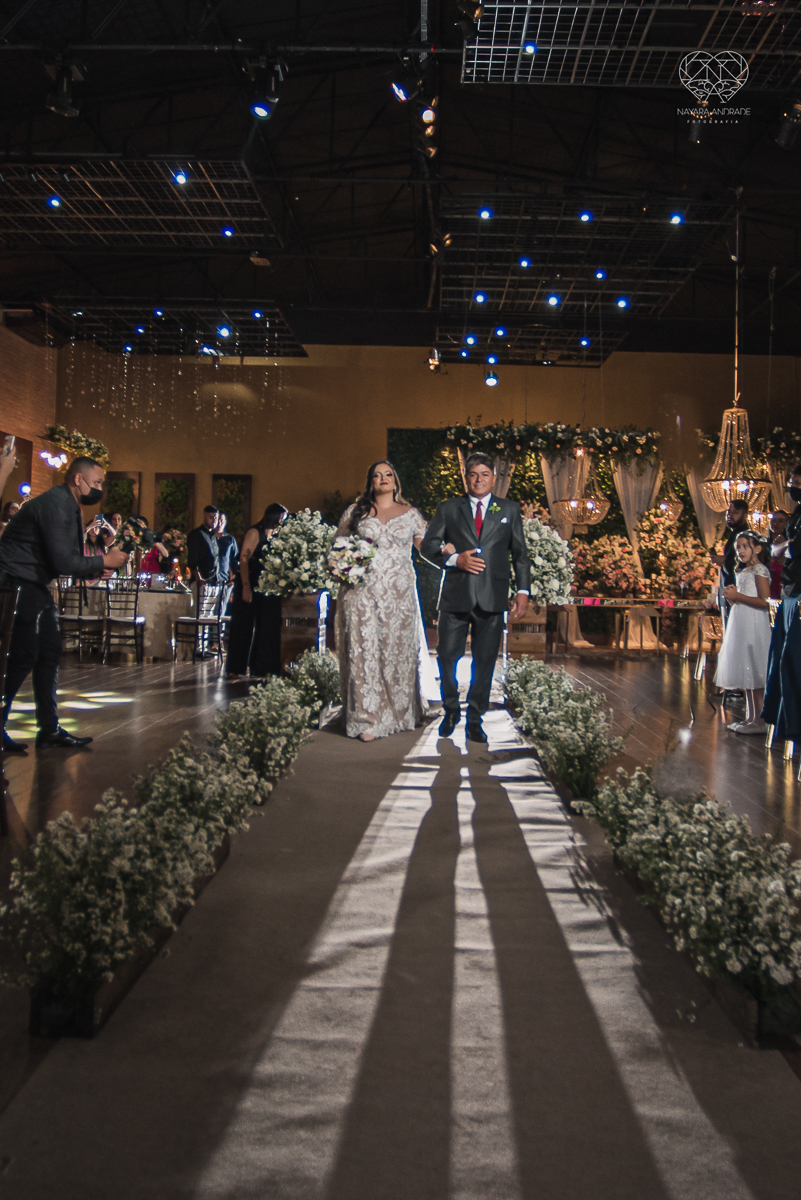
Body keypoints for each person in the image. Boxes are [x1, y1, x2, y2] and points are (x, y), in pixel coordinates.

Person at [0, 456, 128, 751]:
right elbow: (62, 560)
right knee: (22, 656)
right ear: (77, 480)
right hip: (17, 581)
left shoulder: (68, 504)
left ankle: (48, 729)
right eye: (96, 483)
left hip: (32, 581)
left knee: (49, 651)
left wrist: (98, 566)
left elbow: (63, 558)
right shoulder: (58, 503)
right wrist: (104, 560)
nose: (100, 488)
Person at [420, 452, 530, 744]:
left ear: (494, 478)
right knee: (446, 657)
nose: (479, 479)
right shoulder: (448, 509)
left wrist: (523, 591)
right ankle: (451, 708)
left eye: (484, 474)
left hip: (493, 598)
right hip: (456, 596)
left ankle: (475, 718)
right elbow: (428, 547)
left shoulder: (509, 509)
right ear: (465, 477)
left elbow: (520, 555)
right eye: (473, 474)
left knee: (484, 662)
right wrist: (455, 559)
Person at [336, 461, 432, 741]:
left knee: (396, 651)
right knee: (364, 651)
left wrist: (447, 550)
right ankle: (366, 719)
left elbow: (424, 546)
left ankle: (401, 713)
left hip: (399, 595)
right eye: (377, 475)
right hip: (361, 592)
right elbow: (338, 546)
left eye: (388, 474)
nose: (383, 478)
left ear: (395, 480)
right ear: (371, 482)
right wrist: (346, 568)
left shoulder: (411, 514)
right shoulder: (356, 512)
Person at [714, 531, 771, 734]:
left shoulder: (759, 570)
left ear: (757, 549)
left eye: (745, 546)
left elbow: (765, 602)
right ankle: (750, 717)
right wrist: (732, 598)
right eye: (738, 548)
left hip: (754, 623)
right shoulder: (742, 571)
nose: (740, 551)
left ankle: (760, 717)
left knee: (754, 668)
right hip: (741, 621)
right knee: (745, 668)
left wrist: (738, 595)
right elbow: (742, 597)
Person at [225, 504, 287, 680]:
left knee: (266, 626)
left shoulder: (276, 535)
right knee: (243, 626)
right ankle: (235, 668)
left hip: (267, 586)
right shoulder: (255, 533)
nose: (284, 521)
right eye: (282, 517)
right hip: (250, 582)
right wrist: (245, 586)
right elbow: (243, 561)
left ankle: (261, 668)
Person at [709, 498, 749, 619]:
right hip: (728, 589)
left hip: (737, 591)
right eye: (729, 512)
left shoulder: (744, 535)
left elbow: (745, 562)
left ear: (745, 515)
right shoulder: (734, 533)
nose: (730, 515)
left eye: (735, 512)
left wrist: (725, 561)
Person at [187, 505, 223, 583]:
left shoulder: (213, 536)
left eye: (216, 518)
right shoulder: (196, 534)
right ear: (204, 517)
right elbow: (192, 559)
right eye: (211, 517)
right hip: (200, 580)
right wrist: (198, 577)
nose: (214, 520)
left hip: (214, 579)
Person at [768, 510, 789, 600]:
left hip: (783, 588)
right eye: (773, 520)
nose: (776, 523)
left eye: (780, 521)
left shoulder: (791, 545)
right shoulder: (764, 544)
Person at [215, 512, 239, 582]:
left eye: (222, 521)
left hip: (225, 579)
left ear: (225, 522)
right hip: (210, 579)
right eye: (218, 520)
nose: (219, 523)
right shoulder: (209, 538)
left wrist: (232, 579)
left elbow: (235, 560)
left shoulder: (230, 540)